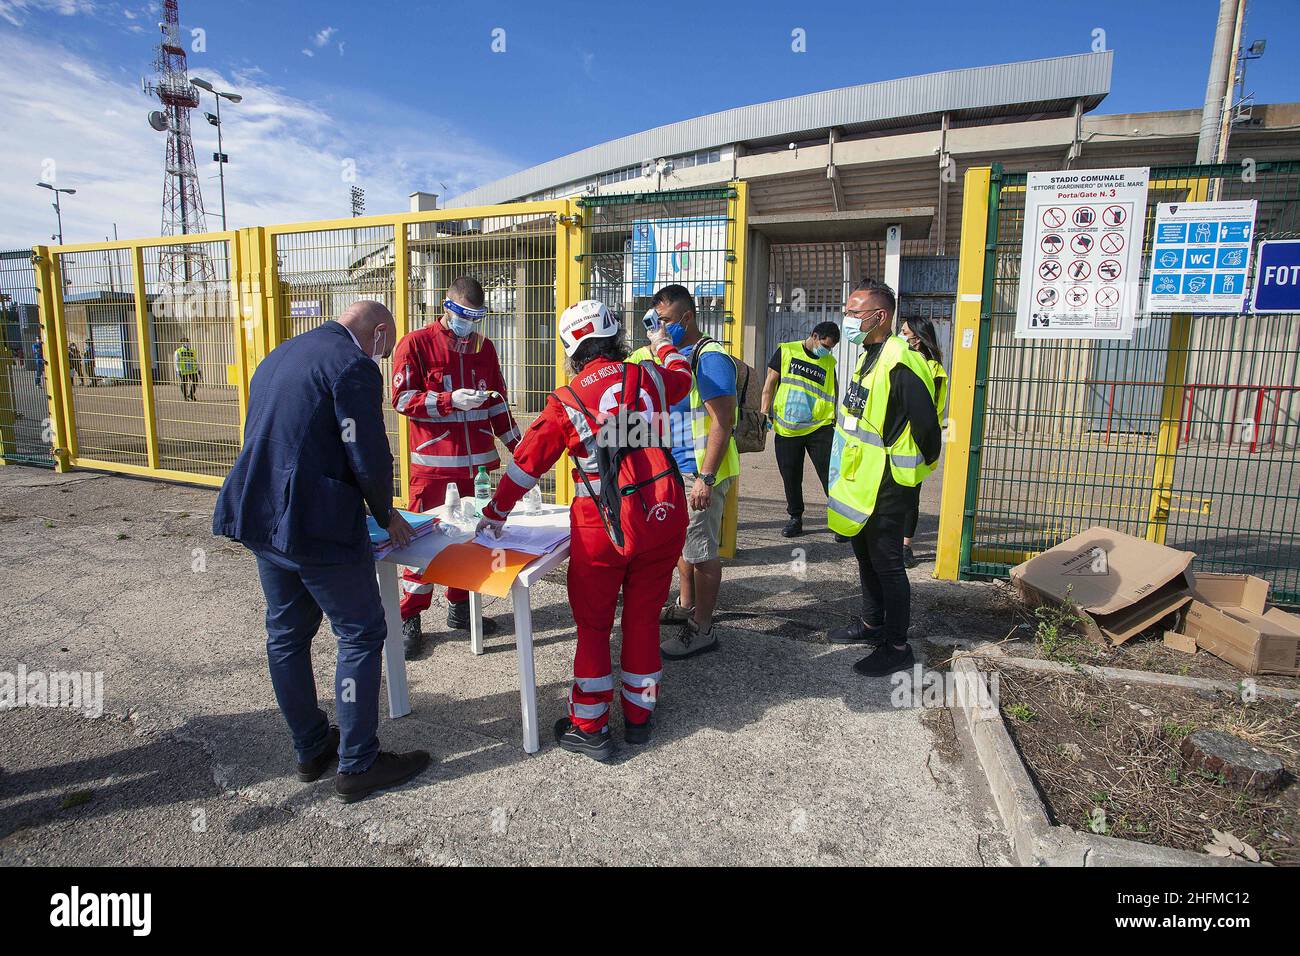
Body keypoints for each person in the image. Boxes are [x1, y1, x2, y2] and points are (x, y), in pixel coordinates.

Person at [212, 300, 431, 804]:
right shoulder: (352, 365)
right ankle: (358, 762)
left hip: (263, 515)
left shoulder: (282, 353)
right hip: (317, 525)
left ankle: (310, 747)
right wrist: (384, 513)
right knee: (360, 632)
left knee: (286, 634)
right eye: (387, 349)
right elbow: (366, 452)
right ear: (377, 333)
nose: (383, 359)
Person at [477, 300, 691, 760]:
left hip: (602, 530)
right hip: (661, 515)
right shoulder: (648, 375)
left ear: (571, 348)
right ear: (616, 337)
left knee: (594, 628)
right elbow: (683, 379)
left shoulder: (567, 400)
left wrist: (496, 512)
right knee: (642, 619)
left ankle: (590, 726)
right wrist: (663, 345)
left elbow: (526, 466)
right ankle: (640, 715)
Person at [390, 276, 521, 658]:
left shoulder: (485, 348)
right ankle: (409, 616)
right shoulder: (415, 344)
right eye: (465, 314)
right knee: (423, 544)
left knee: (472, 541)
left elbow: (497, 404)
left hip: (476, 471)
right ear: (446, 306)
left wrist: (520, 449)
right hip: (432, 469)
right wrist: (449, 401)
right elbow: (401, 398)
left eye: (477, 316)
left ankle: (461, 609)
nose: (470, 323)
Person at [825, 280, 942, 677]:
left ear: (881, 316)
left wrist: (914, 469)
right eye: (848, 311)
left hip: (889, 483)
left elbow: (928, 429)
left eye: (856, 313)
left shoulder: (900, 359)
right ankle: (872, 624)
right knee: (866, 558)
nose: (849, 320)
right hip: (863, 480)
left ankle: (896, 645)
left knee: (888, 564)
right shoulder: (869, 355)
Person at [627, 284, 738, 660]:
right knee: (682, 546)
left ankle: (702, 628)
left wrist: (705, 478)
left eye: (667, 321)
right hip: (672, 470)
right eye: (655, 321)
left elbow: (723, 422)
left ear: (687, 318)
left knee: (702, 551)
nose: (659, 328)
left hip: (700, 472)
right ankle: (685, 605)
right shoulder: (663, 354)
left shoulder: (710, 357)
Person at [759, 321, 843, 539]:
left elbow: (833, 388)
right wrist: (763, 413)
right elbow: (770, 383)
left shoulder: (828, 361)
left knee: (830, 475)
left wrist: (834, 417)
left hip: (820, 427)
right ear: (814, 336)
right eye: (825, 344)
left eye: (831, 347)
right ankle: (795, 518)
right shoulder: (787, 351)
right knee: (791, 476)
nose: (827, 350)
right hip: (789, 429)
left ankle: (841, 520)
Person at [898, 316, 948, 568]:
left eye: (904, 331)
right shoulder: (896, 360)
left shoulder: (934, 370)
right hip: (887, 440)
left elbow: (932, 412)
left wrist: (928, 447)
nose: (900, 335)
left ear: (916, 337)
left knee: (909, 497)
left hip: (912, 443)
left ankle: (905, 546)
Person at [174, 337, 200, 401]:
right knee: (184, 383)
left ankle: (191, 394)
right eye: (185, 342)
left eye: (188, 342)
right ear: (182, 343)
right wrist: (178, 370)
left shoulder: (192, 351)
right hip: (183, 370)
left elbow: (196, 360)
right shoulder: (178, 351)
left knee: (195, 381)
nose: (187, 343)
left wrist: (199, 369)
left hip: (192, 370)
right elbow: (176, 361)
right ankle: (185, 397)